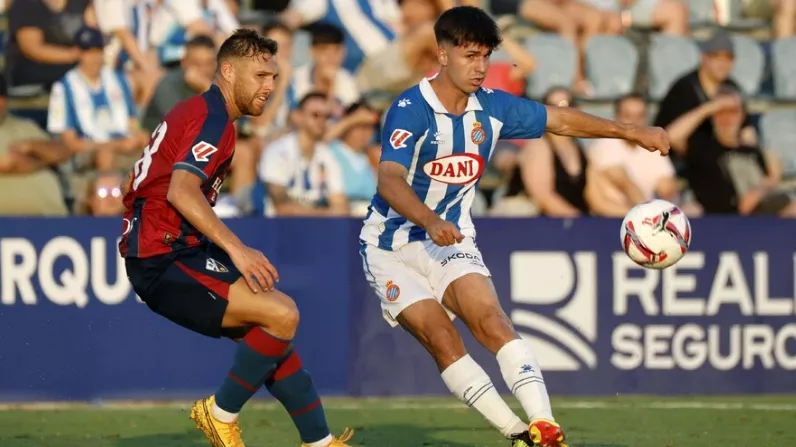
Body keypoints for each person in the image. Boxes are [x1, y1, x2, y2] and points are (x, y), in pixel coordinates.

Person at [358, 6, 669, 447]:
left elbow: (560, 120)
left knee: (491, 320)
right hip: (390, 246)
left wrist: (630, 131)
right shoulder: (411, 108)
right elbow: (388, 179)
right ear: (442, 54)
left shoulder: (493, 108)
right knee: (443, 338)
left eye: (485, 56)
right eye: (469, 55)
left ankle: (545, 427)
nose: (480, 67)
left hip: (448, 238)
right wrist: (428, 219)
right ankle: (516, 433)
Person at [119, 29, 354, 447]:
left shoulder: (204, 114)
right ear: (227, 71)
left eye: (274, 78)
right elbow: (180, 190)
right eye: (260, 75)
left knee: (271, 336)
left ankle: (321, 442)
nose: (269, 87)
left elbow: (152, 183)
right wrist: (238, 249)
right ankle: (219, 413)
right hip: (162, 254)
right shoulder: (213, 120)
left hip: (174, 246)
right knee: (282, 314)